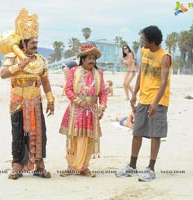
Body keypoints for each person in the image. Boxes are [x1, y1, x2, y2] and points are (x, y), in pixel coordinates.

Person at [0, 8, 55, 180]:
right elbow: (3, 74)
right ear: (24, 43)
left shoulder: (40, 60)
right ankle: (17, 166)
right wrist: (19, 66)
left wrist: (51, 99)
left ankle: (39, 165)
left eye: (36, 42)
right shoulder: (14, 57)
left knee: (39, 132)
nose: (35, 45)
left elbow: (45, 81)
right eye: (32, 42)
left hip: (36, 100)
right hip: (18, 100)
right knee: (18, 132)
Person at [116, 26, 172, 182]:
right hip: (143, 99)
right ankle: (132, 166)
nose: (142, 41)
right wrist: (134, 94)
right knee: (137, 132)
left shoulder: (165, 56)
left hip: (159, 101)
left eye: (144, 39)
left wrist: (155, 103)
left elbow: (163, 82)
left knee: (155, 134)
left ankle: (151, 169)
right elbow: (142, 73)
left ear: (153, 41)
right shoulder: (144, 51)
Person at [59, 42, 107, 177]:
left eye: (93, 59)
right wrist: (79, 101)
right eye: (89, 58)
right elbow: (68, 89)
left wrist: (102, 107)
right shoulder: (74, 71)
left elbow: (103, 92)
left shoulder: (99, 74)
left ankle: (84, 167)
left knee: (88, 138)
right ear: (83, 60)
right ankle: (71, 166)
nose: (92, 61)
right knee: (73, 137)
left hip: (91, 112)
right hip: (76, 110)